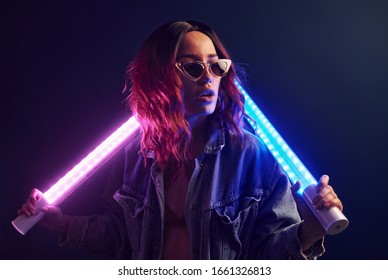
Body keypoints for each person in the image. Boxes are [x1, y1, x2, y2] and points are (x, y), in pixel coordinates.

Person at [18, 20, 343, 259]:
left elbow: (267, 254)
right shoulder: (134, 154)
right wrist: (62, 224)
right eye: (192, 67)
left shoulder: (251, 154)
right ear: (159, 76)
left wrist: (311, 230)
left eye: (216, 66)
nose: (208, 78)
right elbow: (120, 235)